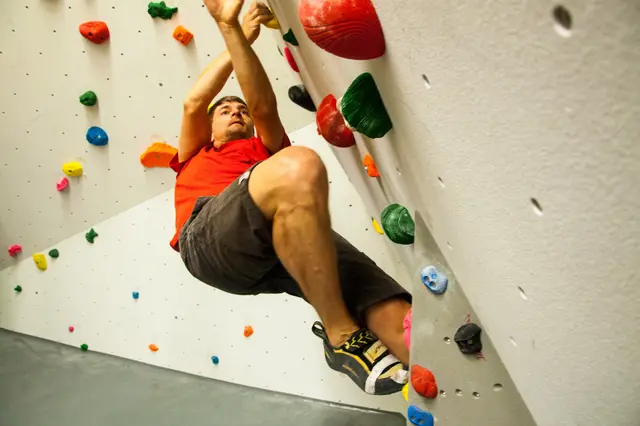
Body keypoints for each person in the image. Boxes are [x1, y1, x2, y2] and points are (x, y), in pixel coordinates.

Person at [170, 0, 412, 395]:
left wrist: (242, 44)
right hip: (208, 241)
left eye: (240, 110)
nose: (236, 112)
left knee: (395, 311)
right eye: (225, 110)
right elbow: (194, 102)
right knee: (298, 166)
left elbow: (263, 106)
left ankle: (430, 373)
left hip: (282, 238)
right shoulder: (197, 154)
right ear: (209, 127)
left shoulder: (265, 151)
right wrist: (233, 31)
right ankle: (340, 335)